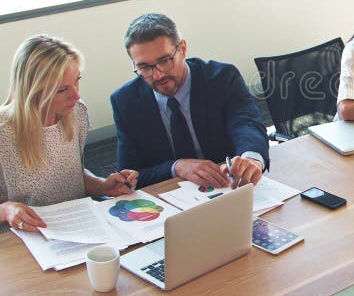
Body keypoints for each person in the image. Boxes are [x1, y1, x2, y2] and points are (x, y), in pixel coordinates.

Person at [111, 14, 269, 188]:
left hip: (229, 187)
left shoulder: (222, 78)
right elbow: (128, 175)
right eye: (144, 67)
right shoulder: (126, 102)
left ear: (183, 49)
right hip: (170, 201)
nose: (158, 74)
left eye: (164, 61)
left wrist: (251, 158)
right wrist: (175, 167)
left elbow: (246, 124)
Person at [0, 35, 137, 233]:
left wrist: (103, 186)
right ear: (33, 89)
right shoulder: (4, 131)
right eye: (63, 89)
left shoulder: (76, 113)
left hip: (78, 222)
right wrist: (6, 210)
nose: (76, 95)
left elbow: (71, 175)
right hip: (26, 234)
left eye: (77, 81)